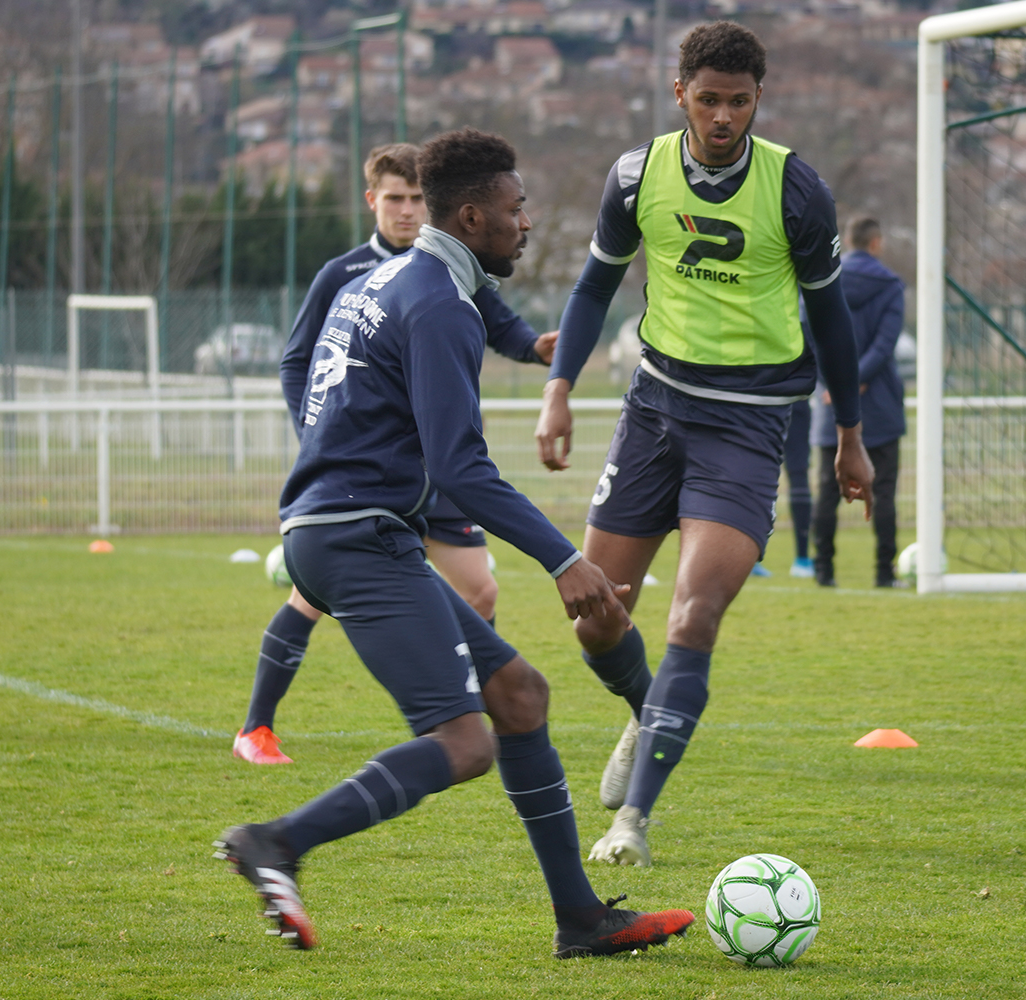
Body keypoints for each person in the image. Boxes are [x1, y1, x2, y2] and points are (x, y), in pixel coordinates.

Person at [214, 128, 695, 958]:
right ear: (472, 217)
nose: (526, 223)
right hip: (356, 534)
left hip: (346, 526)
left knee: (521, 697)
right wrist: (565, 559)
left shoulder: (384, 279)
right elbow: (461, 470)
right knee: (465, 742)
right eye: (515, 209)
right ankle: (277, 842)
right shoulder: (439, 303)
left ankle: (581, 920)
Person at [533, 21, 874, 867]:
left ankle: (632, 822)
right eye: (710, 100)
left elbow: (831, 317)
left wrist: (850, 435)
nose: (724, 117)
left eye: (741, 102)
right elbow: (594, 287)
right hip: (652, 414)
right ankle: (648, 713)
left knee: (694, 613)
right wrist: (559, 389)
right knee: (594, 615)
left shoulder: (796, 189)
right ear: (679, 93)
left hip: (748, 427)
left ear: (759, 100)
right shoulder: (634, 175)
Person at [232, 143, 557, 766]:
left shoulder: (454, 271)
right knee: (312, 597)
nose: (406, 210)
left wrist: (533, 347)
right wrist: (323, 439)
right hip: (365, 484)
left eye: (415, 199)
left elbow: (497, 320)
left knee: (481, 591)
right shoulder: (348, 274)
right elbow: (299, 361)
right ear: (372, 201)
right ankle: (257, 726)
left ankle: (464, 706)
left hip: (437, 473)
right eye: (394, 199)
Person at [811, 216, 906, 588]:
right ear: (876, 243)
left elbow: (807, 332)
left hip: (831, 404)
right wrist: (858, 379)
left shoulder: (823, 277)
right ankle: (884, 573)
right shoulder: (891, 285)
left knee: (826, 491)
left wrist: (835, 383)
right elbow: (885, 344)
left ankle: (823, 572)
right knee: (883, 492)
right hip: (880, 404)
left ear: (847, 242)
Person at [784, 397, 815, 577]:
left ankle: (749, 558)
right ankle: (802, 560)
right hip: (793, 401)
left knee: (755, 475)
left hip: (756, 402)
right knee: (798, 475)